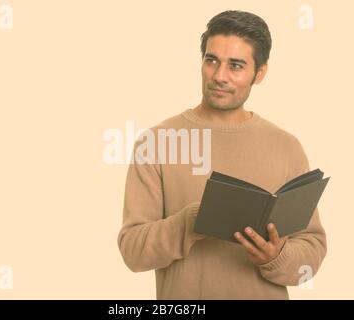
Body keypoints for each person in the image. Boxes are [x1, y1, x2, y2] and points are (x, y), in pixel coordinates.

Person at [117, 10, 327, 299]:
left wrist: (276, 256)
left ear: (260, 73)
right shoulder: (156, 142)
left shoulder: (287, 146)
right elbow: (133, 252)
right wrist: (193, 219)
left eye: (236, 65)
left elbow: (312, 248)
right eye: (211, 60)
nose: (218, 76)